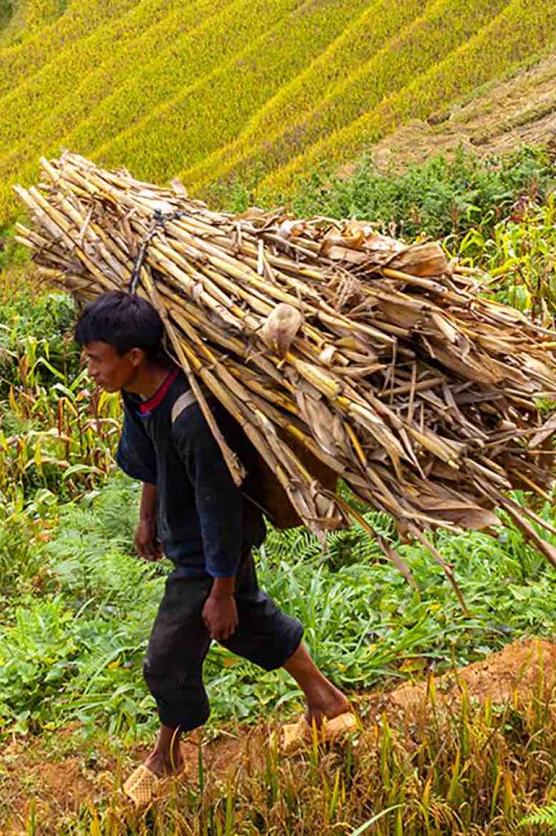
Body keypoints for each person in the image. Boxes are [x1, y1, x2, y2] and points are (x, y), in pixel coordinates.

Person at [77, 290, 358, 808]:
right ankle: (327, 702)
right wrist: (146, 516)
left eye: (95, 358)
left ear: (133, 355)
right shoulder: (138, 395)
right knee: (248, 623)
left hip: (209, 550)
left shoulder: (192, 420)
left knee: (166, 660)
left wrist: (221, 589)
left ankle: (166, 758)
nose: (89, 370)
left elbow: (221, 510)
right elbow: (149, 460)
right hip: (192, 537)